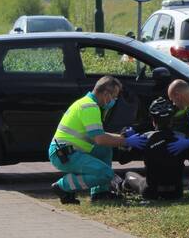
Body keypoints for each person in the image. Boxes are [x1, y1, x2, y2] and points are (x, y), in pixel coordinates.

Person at [49, 75, 146, 203]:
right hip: (66, 155)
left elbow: (99, 136)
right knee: (106, 174)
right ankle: (62, 186)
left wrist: (123, 136)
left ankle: (100, 193)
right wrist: (126, 141)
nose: (115, 99)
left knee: (104, 149)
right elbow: (100, 139)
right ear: (106, 94)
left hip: (68, 151)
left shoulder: (87, 103)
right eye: (115, 96)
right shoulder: (90, 107)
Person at [122, 97, 185, 200]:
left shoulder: (145, 138)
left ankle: (123, 188)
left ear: (153, 121)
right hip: (176, 192)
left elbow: (123, 159)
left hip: (151, 191)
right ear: (172, 120)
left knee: (129, 174)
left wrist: (127, 139)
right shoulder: (183, 138)